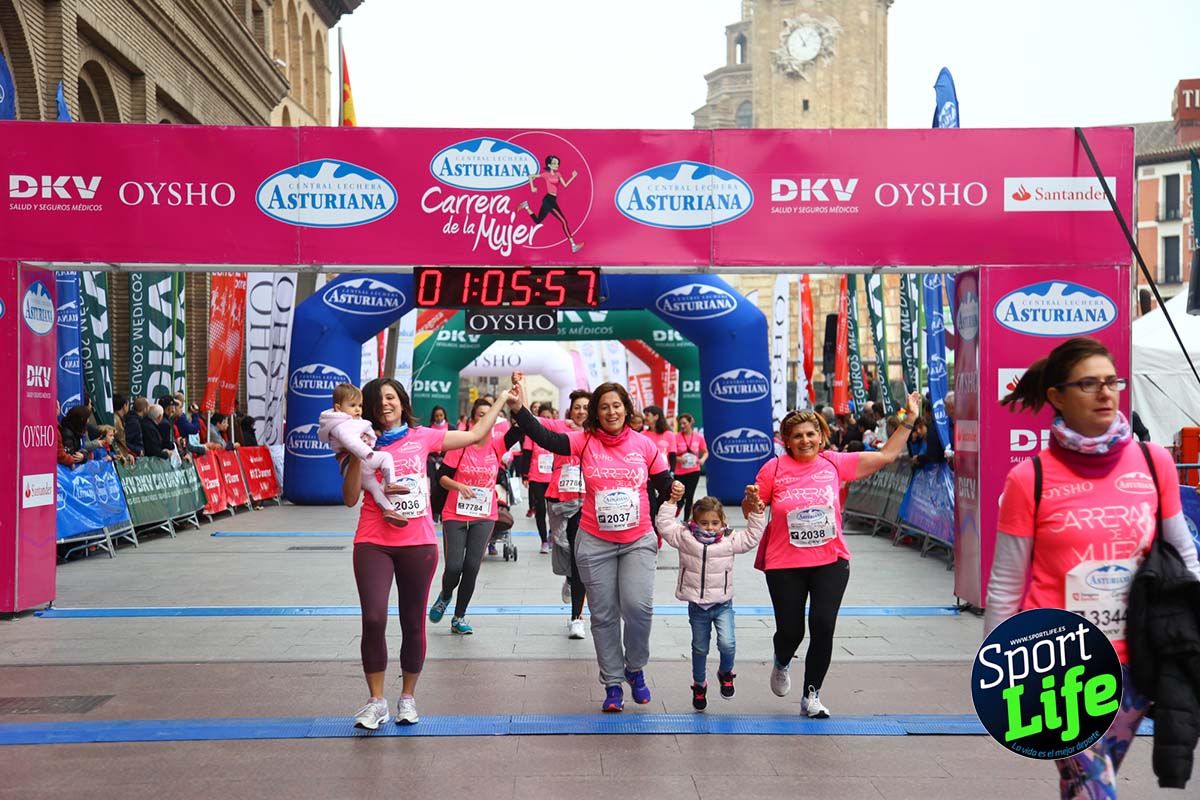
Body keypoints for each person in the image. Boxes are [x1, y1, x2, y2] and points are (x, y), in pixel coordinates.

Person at [984, 337, 1200, 798]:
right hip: (1058, 663)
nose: (1106, 393)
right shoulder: (1030, 479)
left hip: (1138, 658)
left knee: (1082, 783)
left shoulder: (1152, 461)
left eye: (1111, 382)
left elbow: (1183, 551)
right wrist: (996, 670)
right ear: (1057, 396)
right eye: (1089, 384)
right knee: (1095, 786)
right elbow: (1005, 582)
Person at [343, 378, 512, 730]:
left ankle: (407, 697)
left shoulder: (423, 437)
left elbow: (477, 434)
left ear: (402, 403)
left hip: (418, 543)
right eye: (377, 401)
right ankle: (376, 702)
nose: (384, 405)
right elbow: (348, 498)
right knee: (373, 618)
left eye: (391, 398)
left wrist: (502, 400)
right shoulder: (355, 439)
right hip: (373, 539)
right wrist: (359, 452)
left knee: (412, 620)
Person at [748, 391, 921, 719]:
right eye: (797, 436)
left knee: (823, 624)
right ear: (787, 440)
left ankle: (811, 696)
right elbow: (755, 507)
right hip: (785, 562)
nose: (805, 440)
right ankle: (782, 660)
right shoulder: (774, 468)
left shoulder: (834, 463)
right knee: (791, 631)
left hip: (831, 559)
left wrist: (909, 419)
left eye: (811, 433)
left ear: (821, 436)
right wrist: (752, 503)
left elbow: (885, 455)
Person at [508, 373, 672, 713]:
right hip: (594, 540)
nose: (611, 412)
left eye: (616, 405)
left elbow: (664, 484)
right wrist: (520, 410)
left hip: (637, 539)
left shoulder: (645, 445)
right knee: (604, 614)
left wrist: (674, 495)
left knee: (639, 608)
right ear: (596, 413)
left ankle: (635, 667)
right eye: (604, 407)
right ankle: (613, 683)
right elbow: (546, 437)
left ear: (626, 409)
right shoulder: (584, 440)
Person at [656, 484, 765, 711]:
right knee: (699, 648)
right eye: (704, 523)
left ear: (722, 522)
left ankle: (726, 673)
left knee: (727, 643)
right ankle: (699, 684)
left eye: (715, 523)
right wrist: (671, 503)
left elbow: (752, 536)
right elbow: (664, 525)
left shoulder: (729, 539)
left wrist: (757, 512)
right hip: (697, 606)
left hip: (723, 604)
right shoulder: (685, 537)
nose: (710, 528)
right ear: (695, 522)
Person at [428, 397, 523, 634]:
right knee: (453, 567)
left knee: (471, 566)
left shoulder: (498, 444)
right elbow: (442, 477)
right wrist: (459, 486)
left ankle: (459, 617)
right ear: (472, 420)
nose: (485, 418)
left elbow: (523, 426)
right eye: (480, 414)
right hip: (455, 514)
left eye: (488, 414)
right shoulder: (460, 444)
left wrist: (516, 397)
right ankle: (445, 595)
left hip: (484, 515)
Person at [319, 383, 405, 528]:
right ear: (339, 408)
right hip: (356, 460)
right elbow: (352, 442)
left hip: (353, 464)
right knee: (386, 457)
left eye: (360, 405)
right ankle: (391, 483)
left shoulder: (346, 422)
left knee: (375, 488)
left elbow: (361, 434)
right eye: (353, 405)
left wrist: (371, 437)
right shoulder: (341, 425)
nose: (358, 409)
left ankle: (389, 510)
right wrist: (366, 452)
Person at [543, 390, 590, 639]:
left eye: (586, 407)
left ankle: (576, 618)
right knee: (567, 550)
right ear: (570, 410)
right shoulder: (559, 427)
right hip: (561, 499)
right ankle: (571, 581)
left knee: (580, 555)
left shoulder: (599, 433)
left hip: (588, 502)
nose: (581, 411)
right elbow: (533, 423)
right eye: (577, 407)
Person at [518, 154, 584, 253]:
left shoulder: (558, 174)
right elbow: (531, 176)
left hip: (551, 200)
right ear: (549, 165)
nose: (556, 165)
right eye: (554, 163)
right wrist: (532, 187)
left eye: (557, 163)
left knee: (538, 221)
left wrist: (573, 177)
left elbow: (565, 185)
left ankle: (526, 206)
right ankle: (573, 245)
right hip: (548, 200)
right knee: (564, 221)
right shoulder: (545, 174)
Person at [522, 404, 560, 554]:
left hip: (554, 477)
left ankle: (552, 534)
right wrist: (524, 475)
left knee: (553, 510)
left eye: (548, 417)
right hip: (537, 477)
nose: (545, 419)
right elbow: (526, 454)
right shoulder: (532, 434)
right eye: (542, 417)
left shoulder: (557, 432)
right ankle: (544, 540)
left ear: (553, 418)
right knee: (541, 510)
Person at [674, 413, 708, 520]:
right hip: (679, 472)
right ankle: (678, 507)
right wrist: (678, 459)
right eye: (681, 424)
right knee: (680, 497)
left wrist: (702, 459)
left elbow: (706, 452)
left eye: (684, 423)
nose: (682, 426)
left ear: (690, 423)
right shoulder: (676, 437)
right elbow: (671, 455)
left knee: (689, 496)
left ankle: (686, 521)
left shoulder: (698, 437)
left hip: (694, 471)